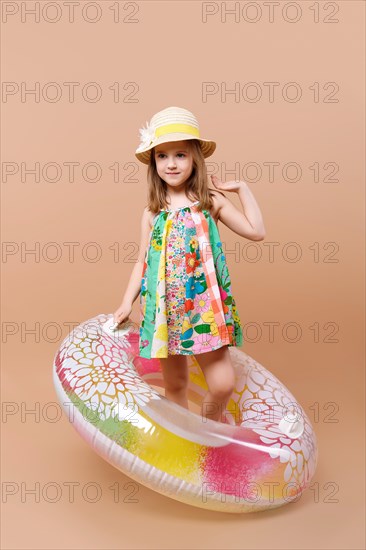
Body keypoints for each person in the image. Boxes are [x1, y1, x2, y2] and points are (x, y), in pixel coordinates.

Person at [113, 106, 265, 424]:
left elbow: (257, 232)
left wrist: (243, 190)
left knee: (222, 384)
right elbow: (141, 260)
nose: (171, 164)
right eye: (162, 156)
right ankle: (185, 446)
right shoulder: (153, 212)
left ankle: (206, 431)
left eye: (180, 154)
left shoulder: (210, 202)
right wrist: (127, 301)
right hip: (165, 309)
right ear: (154, 163)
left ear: (194, 156)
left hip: (203, 309)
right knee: (176, 384)